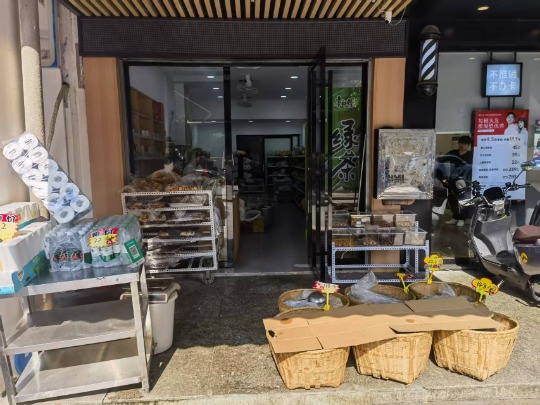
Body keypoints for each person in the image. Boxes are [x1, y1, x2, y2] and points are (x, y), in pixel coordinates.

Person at [443, 135, 473, 227]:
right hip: (452, 179)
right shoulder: (453, 153)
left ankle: (462, 219)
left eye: (465, 144)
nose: (462, 145)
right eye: (461, 143)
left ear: (468, 145)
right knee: (452, 199)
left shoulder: (471, 155)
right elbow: (442, 159)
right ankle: (455, 217)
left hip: (465, 181)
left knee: (463, 200)